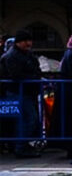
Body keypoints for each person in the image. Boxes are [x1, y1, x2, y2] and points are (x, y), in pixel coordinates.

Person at [0, 30, 42, 158]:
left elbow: (35, 67)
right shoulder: (12, 56)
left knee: (26, 120)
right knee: (29, 119)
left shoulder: (27, 54)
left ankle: (21, 145)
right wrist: (33, 77)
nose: (29, 43)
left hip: (27, 91)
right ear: (19, 42)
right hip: (18, 92)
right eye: (26, 41)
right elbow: (16, 75)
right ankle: (20, 146)